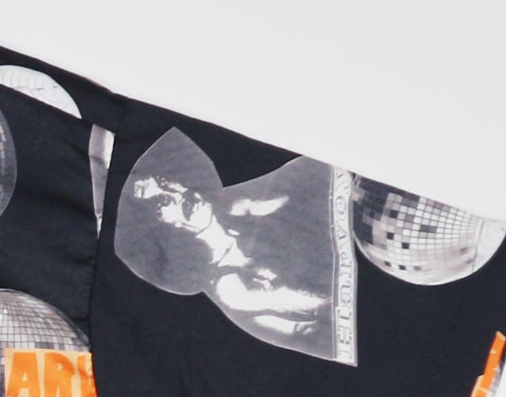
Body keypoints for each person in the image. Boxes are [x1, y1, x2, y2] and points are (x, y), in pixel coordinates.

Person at [115, 127, 352, 363]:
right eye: (161, 203)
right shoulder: (230, 285)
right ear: (163, 230)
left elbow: (320, 174)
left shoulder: (240, 203)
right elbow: (324, 301)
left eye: (163, 181)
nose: (176, 193)